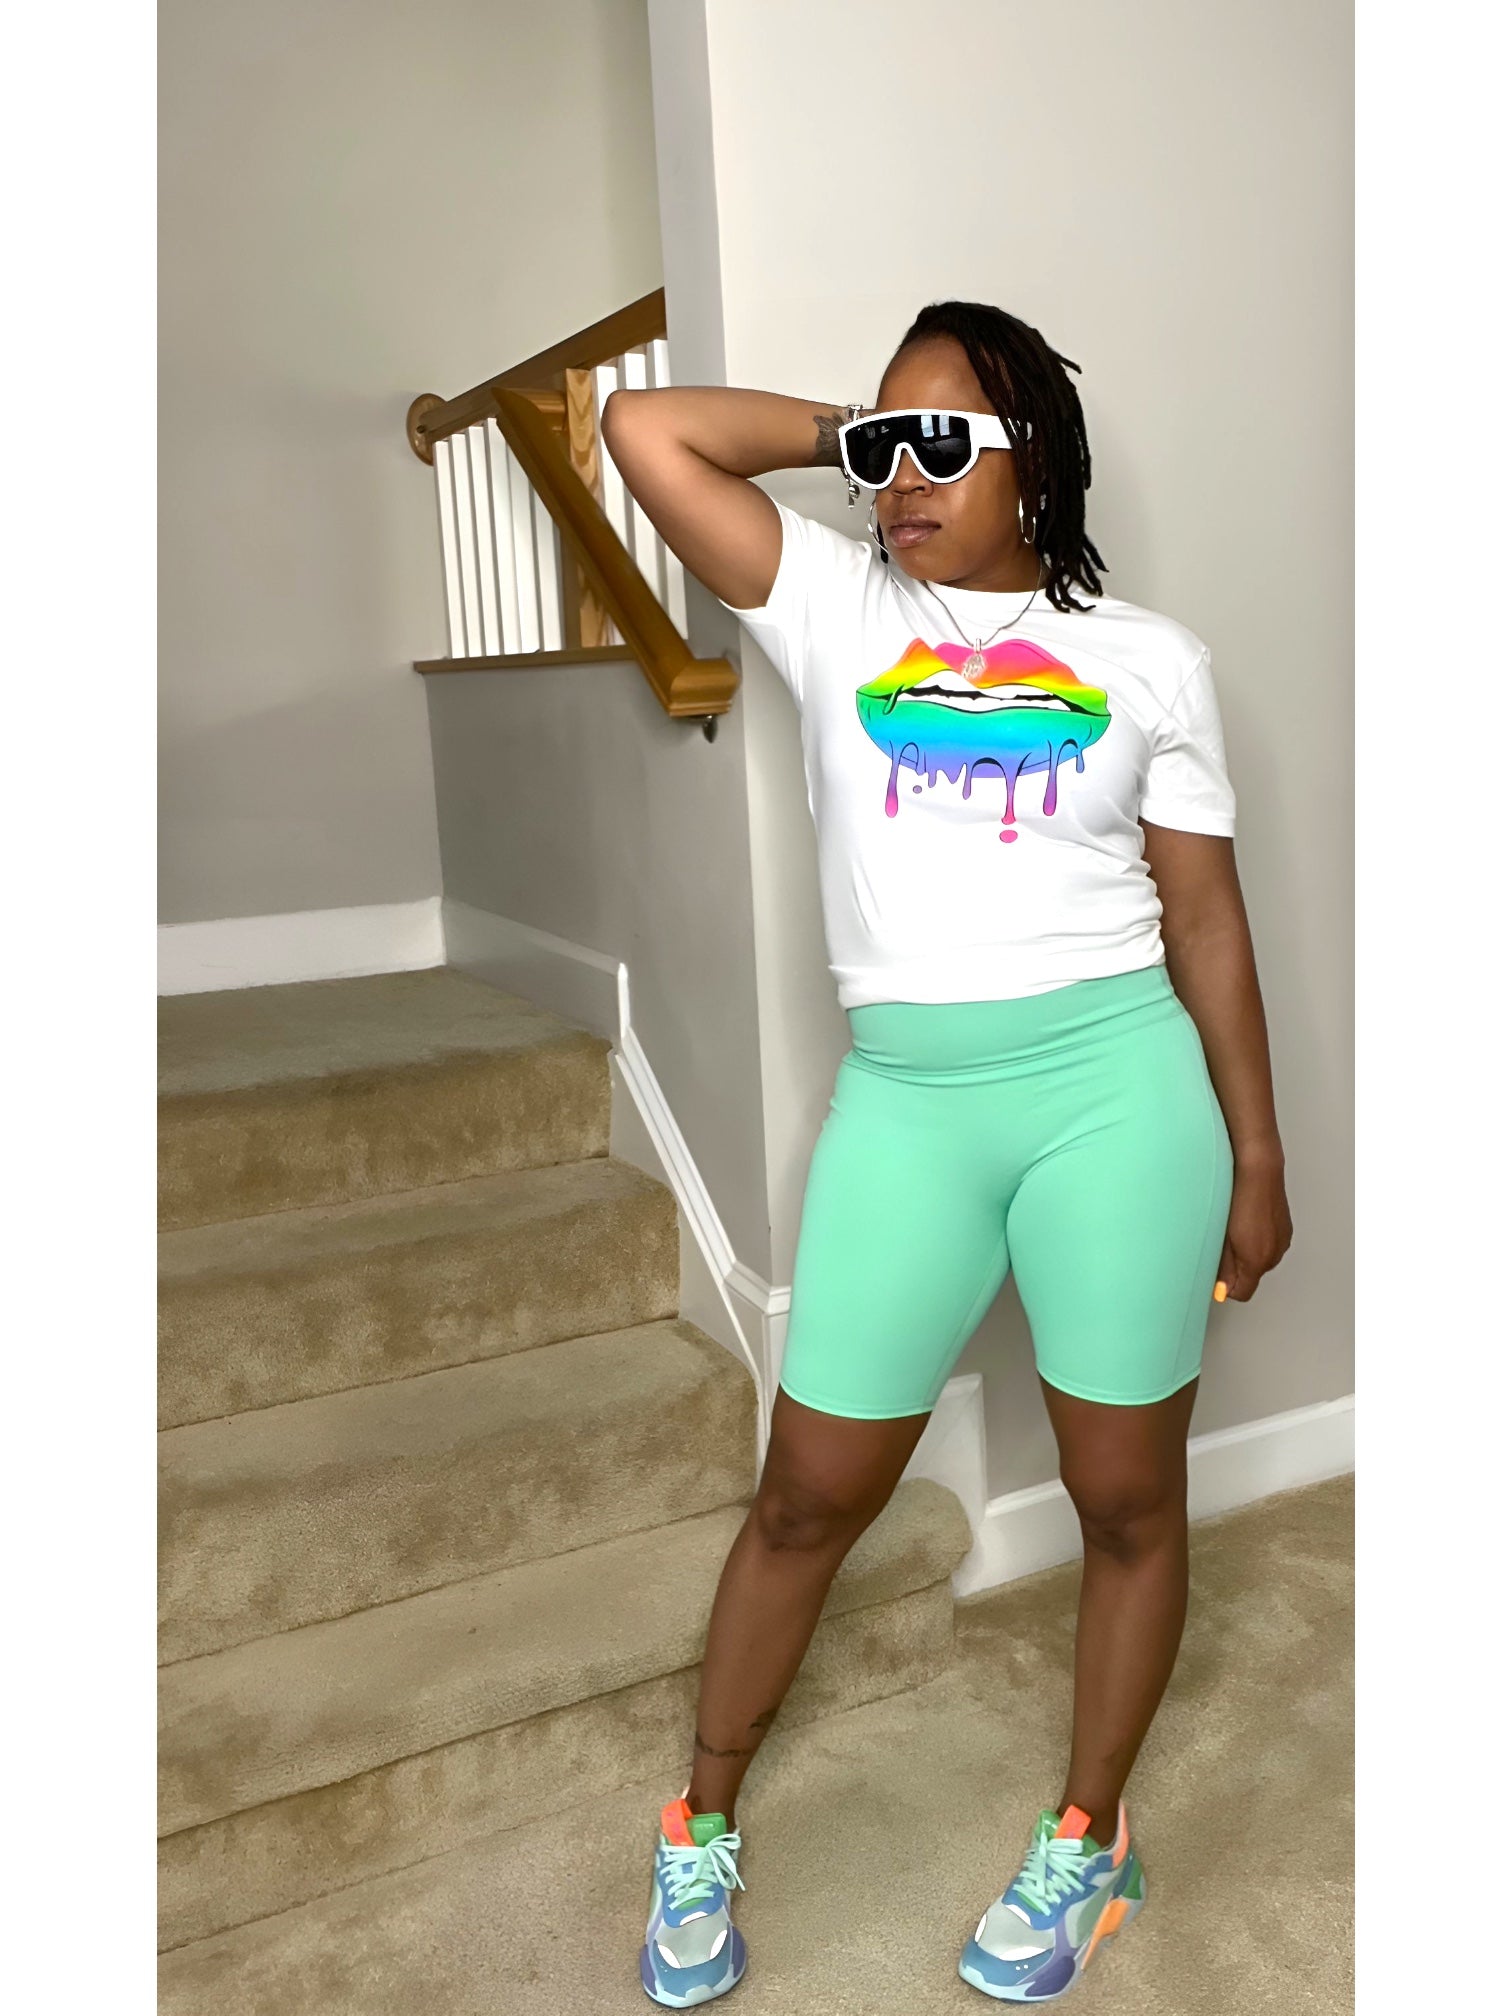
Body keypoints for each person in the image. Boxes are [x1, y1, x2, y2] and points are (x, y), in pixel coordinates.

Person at [600, 299, 1292, 2007]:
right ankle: (700, 1820)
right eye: (880, 448)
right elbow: (642, 433)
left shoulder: (1152, 659)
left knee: (1126, 1499)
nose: (900, 478)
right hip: (908, 1107)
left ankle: (1092, 1836)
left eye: (945, 445)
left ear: (1033, 460)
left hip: (1116, 1097)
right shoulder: (833, 605)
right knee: (805, 1495)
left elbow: (1205, 919)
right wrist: (853, 427)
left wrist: (1259, 1155)